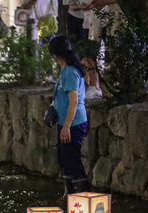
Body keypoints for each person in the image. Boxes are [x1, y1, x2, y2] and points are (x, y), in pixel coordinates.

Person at [48, 36, 89, 198]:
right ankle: (69, 193)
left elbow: (74, 101)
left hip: (73, 123)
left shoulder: (71, 72)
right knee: (63, 158)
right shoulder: (65, 71)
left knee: (72, 159)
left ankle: (83, 197)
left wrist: (66, 127)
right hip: (64, 121)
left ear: (55, 55)